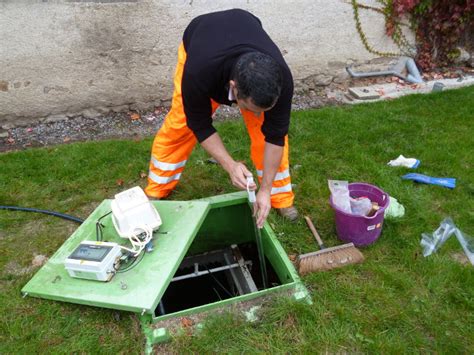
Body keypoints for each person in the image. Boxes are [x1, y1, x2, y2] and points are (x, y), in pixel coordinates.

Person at [145, 9, 298, 228]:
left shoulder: (281, 79)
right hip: (200, 42)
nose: (257, 115)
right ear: (234, 89)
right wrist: (230, 165)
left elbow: (275, 137)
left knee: (263, 131)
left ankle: (279, 197)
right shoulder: (198, 72)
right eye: (251, 108)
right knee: (179, 125)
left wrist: (264, 190)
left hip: (243, 28)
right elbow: (199, 123)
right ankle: (157, 188)